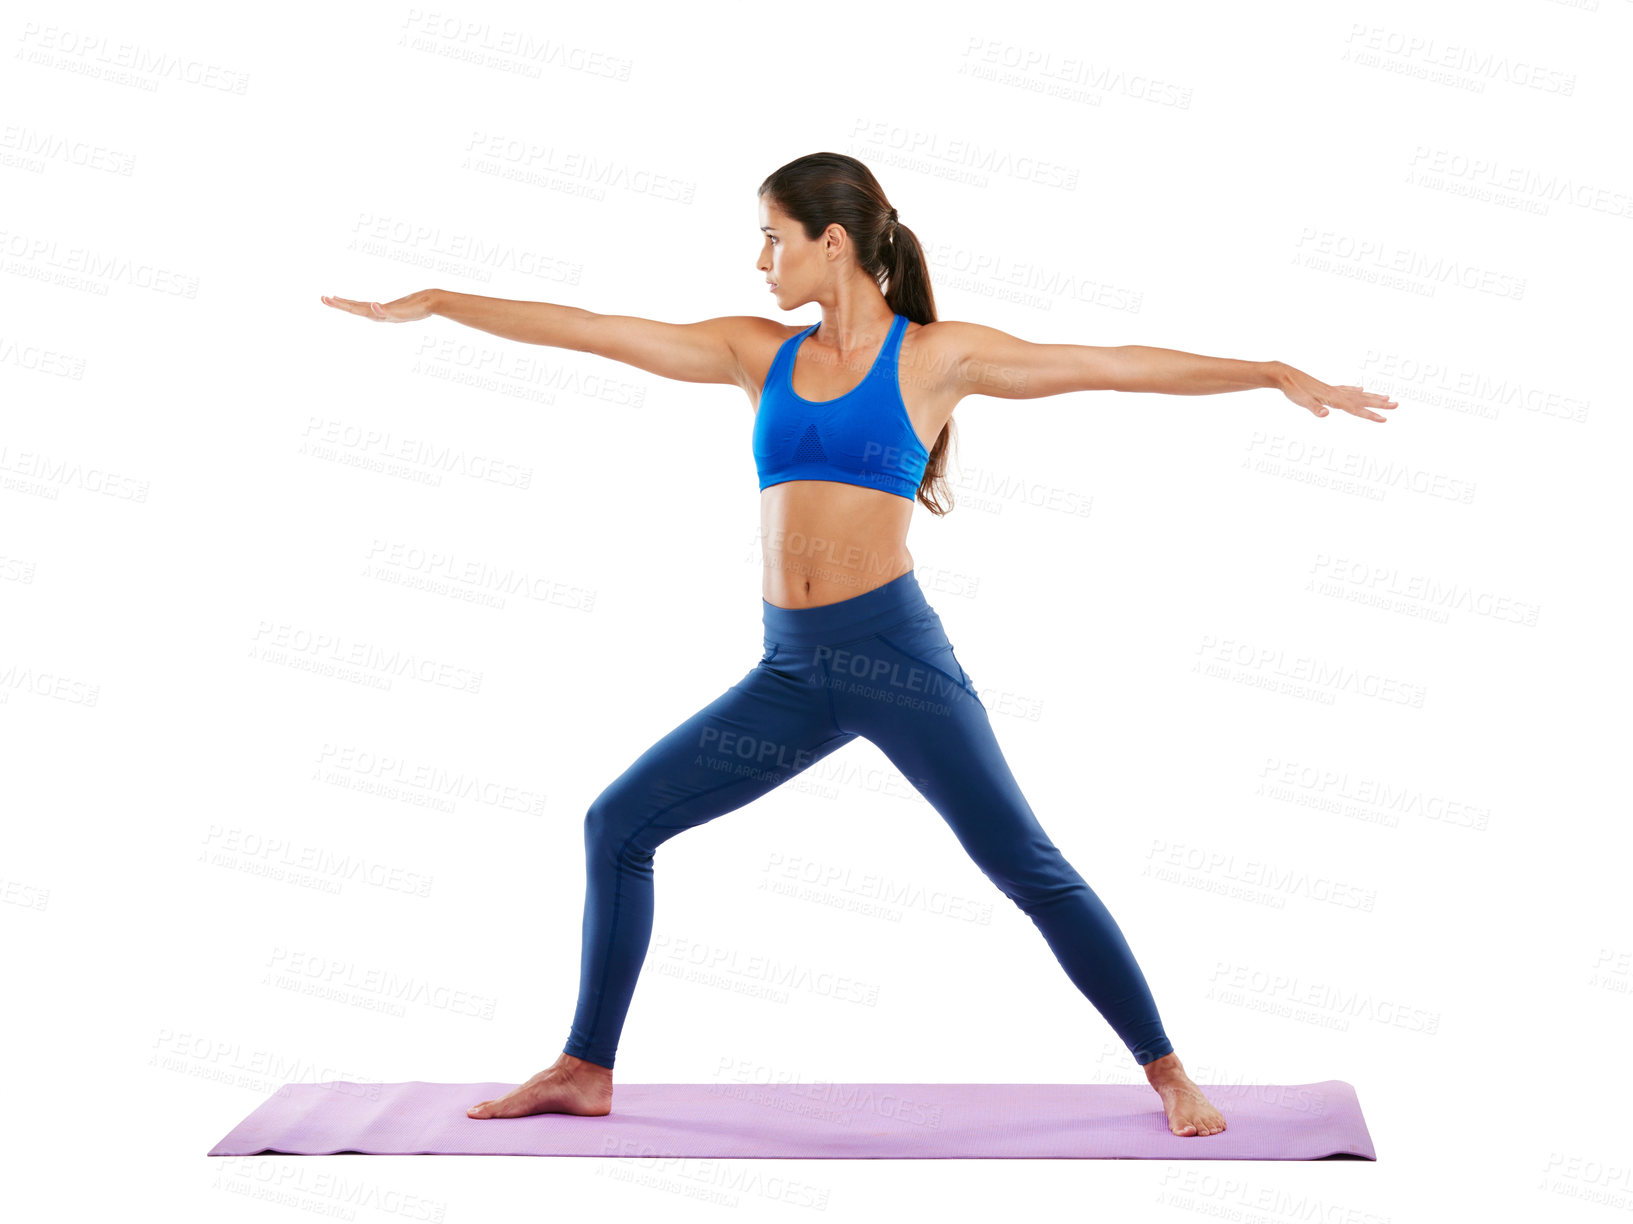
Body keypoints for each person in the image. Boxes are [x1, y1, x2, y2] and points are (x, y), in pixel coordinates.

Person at [321, 152, 1395, 1139]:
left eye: (773, 236)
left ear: (832, 241)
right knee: (618, 823)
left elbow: (1108, 364)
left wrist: (1264, 369)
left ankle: (1165, 1071)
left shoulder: (936, 357)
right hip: (789, 675)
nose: (760, 259)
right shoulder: (757, 354)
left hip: (895, 663)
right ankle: (583, 1066)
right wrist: (441, 304)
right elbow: (594, 327)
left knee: (1025, 866)